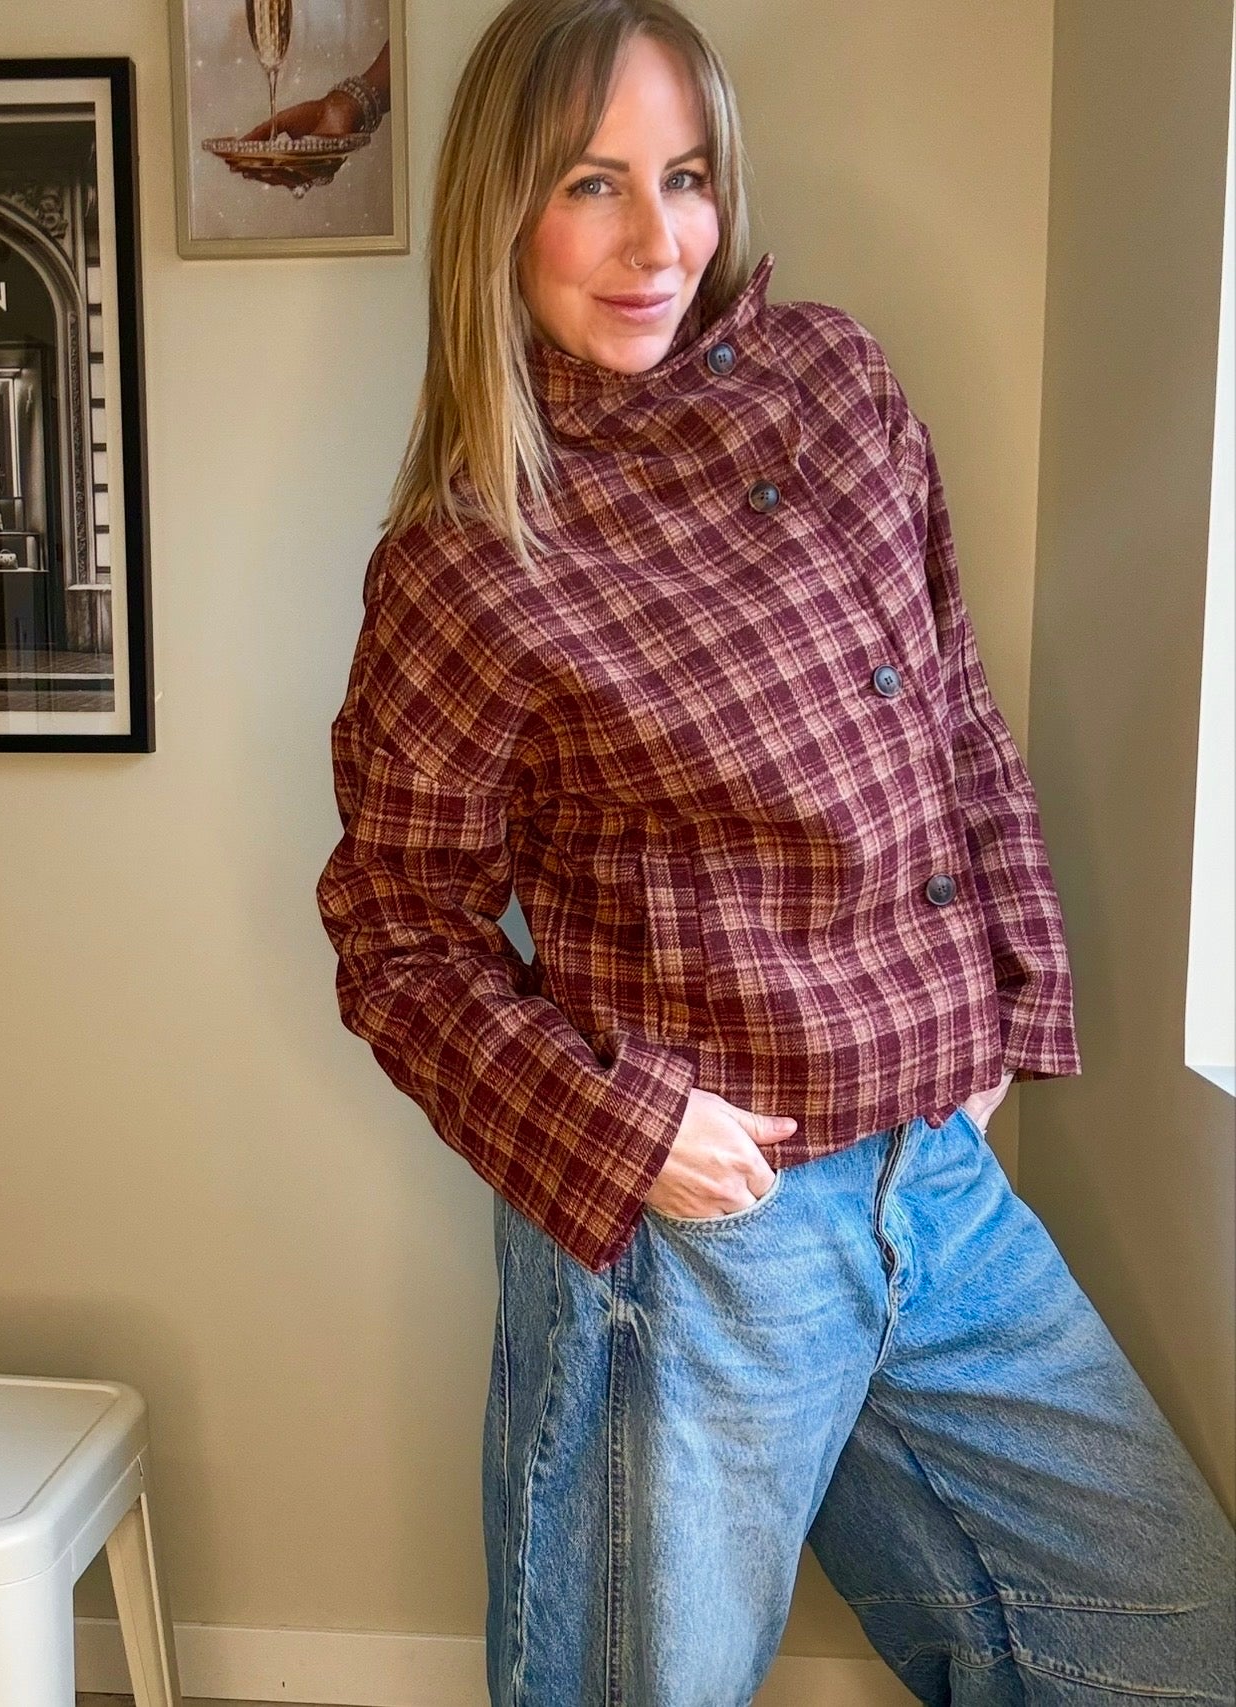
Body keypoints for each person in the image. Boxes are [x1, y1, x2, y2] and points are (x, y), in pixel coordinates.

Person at [315, 2, 1236, 1701]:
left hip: (935, 1185)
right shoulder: (469, 556)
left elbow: (950, 704)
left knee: (1170, 1646)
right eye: (593, 183)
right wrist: (631, 1136)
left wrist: (1001, 1007)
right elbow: (395, 935)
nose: (657, 242)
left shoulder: (837, 382)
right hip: (697, 1238)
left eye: (685, 177)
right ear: (502, 212)